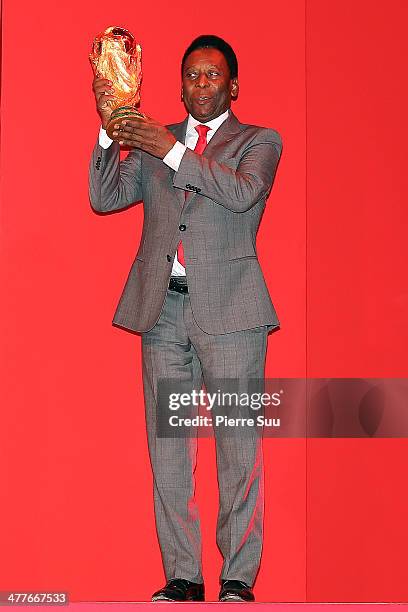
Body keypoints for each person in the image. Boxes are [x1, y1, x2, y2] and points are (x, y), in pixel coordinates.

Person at [89, 34, 282, 602]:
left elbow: (243, 195)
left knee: (238, 448)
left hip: (233, 313)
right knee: (169, 449)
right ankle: (183, 577)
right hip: (164, 311)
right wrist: (110, 126)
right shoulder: (154, 142)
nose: (201, 85)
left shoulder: (259, 141)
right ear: (179, 85)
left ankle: (238, 580)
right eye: (192, 77)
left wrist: (172, 152)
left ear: (233, 86)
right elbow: (103, 197)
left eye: (212, 76)